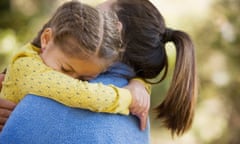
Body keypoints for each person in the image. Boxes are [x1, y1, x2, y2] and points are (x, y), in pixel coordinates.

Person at [0, 0, 198, 143]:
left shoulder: (53, 100)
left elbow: (83, 94)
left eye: (95, 14)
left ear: (112, 33)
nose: (84, 18)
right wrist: (138, 83)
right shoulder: (137, 110)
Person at [0, 0, 150, 131]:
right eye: (66, 69)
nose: (72, 81)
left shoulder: (42, 54)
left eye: (85, 78)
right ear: (46, 39)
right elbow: (86, 95)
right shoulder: (31, 70)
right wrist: (130, 98)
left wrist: (139, 83)